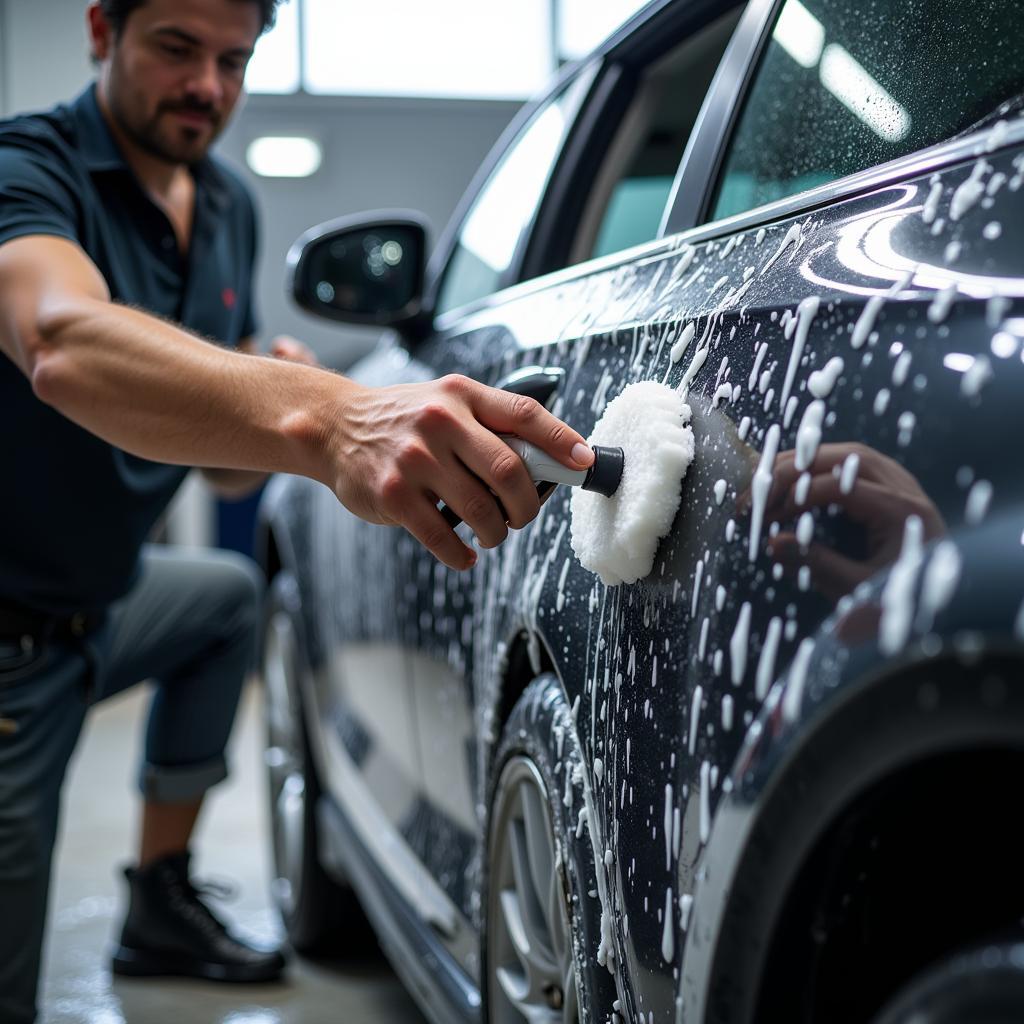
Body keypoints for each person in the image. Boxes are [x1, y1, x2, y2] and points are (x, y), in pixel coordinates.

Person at [0, 1, 597, 1020]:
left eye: (234, 60)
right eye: (177, 50)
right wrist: (326, 414)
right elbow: (62, 342)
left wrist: (267, 404)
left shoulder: (224, 205)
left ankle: (159, 901)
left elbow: (222, 476)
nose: (208, 88)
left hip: (104, 598)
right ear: (101, 30)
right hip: (11, 633)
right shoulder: (28, 168)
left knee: (228, 596)